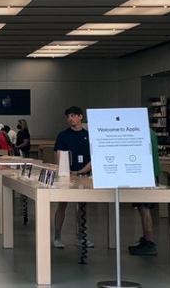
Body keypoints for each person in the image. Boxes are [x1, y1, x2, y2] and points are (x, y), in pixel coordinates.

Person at [53, 106, 92, 249]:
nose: (70, 119)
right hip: (66, 176)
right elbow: (59, 155)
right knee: (62, 204)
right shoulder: (63, 135)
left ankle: (82, 236)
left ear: (80, 116)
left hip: (84, 174)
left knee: (82, 206)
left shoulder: (88, 135)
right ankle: (57, 236)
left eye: (73, 115)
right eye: (68, 116)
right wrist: (66, 171)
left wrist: (82, 171)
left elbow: (94, 157)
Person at [129, 128, 160, 256]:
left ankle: (150, 243)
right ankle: (147, 240)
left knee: (145, 209)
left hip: (146, 175)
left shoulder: (142, 132)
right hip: (148, 174)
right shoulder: (149, 131)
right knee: (143, 209)